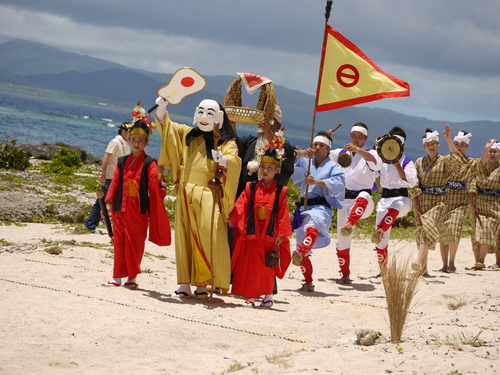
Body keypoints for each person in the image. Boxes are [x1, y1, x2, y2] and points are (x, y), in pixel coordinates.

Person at [154, 97, 241, 298]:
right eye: (201, 112)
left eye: (210, 114)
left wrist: (224, 160)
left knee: (208, 234)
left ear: (219, 118)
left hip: (207, 192)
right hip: (185, 190)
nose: (204, 117)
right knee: (184, 236)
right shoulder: (187, 134)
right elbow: (167, 129)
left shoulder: (225, 142)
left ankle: (203, 284)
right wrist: (162, 108)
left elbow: (234, 159)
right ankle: (184, 283)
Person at [103, 120, 171, 288]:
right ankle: (116, 277)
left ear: (146, 142)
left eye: (140, 141)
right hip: (121, 207)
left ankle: (132, 278)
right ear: (129, 140)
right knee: (119, 242)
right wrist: (109, 203)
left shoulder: (150, 162)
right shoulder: (121, 161)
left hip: (138, 209)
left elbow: (154, 185)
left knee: (136, 243)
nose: (136, 143)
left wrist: (161, 176)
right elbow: (115, 183)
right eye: (133, 140)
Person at [228, 138, 292, 307]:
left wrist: (281, 234)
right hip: (252, 231)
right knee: (250, 264)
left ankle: (268, 295)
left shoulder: (281, 191)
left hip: (270, 233)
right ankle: (250, 296)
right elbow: (241, 204)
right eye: (263, 166)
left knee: (267, 265)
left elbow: (283, 213)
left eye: (269, 167)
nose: (265, 170)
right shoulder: (251, 187)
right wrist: (233, 218)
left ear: (277, 170)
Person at [291, 131, 345, 292]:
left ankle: (301, 251)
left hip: (321, 207)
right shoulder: (305, 162)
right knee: (302, 238)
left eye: (321, 145)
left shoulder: (334, 167)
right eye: (315, 144)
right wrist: (301, 153)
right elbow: (289, 160)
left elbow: (338, 182)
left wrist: (316, 181)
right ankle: (308, 281)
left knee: (312, 226)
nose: (317, 147)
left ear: (329, 149)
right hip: (304, 207)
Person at [329, 123, 382, 284]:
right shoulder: (341, 152)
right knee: (342, 240)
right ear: (350, 136)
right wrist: (326, 138)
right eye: (354, 136)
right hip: (345, 201)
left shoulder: (372, 153)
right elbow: (322, 153)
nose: (356, 139)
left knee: (365, 195)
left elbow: (374, 161)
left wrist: (358, 150)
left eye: (360, 137)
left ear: (366, 138)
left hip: (364, 203)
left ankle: (351, 223)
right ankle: (345, 275)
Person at [411, 125, 466, 276]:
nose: (431, 147)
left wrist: (449, 140)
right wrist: (415, 202)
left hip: (440, 202)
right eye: (428, 144)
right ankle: (423, 270)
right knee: (422, 234)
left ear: (438, 144)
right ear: (424, 146)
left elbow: (458, 161)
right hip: (422, 202)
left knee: (428, 228)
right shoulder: (419, 162)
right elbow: (414, 183)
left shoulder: (444, 160)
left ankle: (417, 260)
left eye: (434, 143)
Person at [370, 126, 418, 273]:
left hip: (402, 199)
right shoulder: (382, 160)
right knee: (381, 241)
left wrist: (397, 164)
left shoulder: (407, 162)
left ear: (402, 145)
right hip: (385, 199)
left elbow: (411, 182)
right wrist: (374, 150)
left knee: (397, 205)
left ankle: (381, 229)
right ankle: (383, 270)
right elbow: (372, 170)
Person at [84, 122, 131, 233]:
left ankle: (90, 225)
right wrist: (103, 175)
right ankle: (114, 228)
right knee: (112, 201)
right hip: (110, 177)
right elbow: (106, 157)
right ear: (123, 132)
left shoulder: (125, 144)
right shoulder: (115, 142)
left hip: (118, 177)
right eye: (130, 132)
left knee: (101, 201)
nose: (131, 135)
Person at [439, 130, 473, 273]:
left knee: (453, 230)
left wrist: (472, 204)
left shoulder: (471, 162)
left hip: (461, 202)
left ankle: (452, 261)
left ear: (467, 147)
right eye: (456, 144)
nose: (459, 147)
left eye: (462, 145)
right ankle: (444, 264)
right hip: (444, 200)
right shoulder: (445, 160)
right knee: (443, 233)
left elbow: (472, 184)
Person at [468, 140, 500, 270]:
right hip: (480, 204)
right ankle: (479, 261)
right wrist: (471, 204)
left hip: (496, 205)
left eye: (495, 151)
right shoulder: (481, 166)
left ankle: (493, 262)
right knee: (478, 233)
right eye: (490, 151)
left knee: (495, 234)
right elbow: (474, 180)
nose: (492, 154)